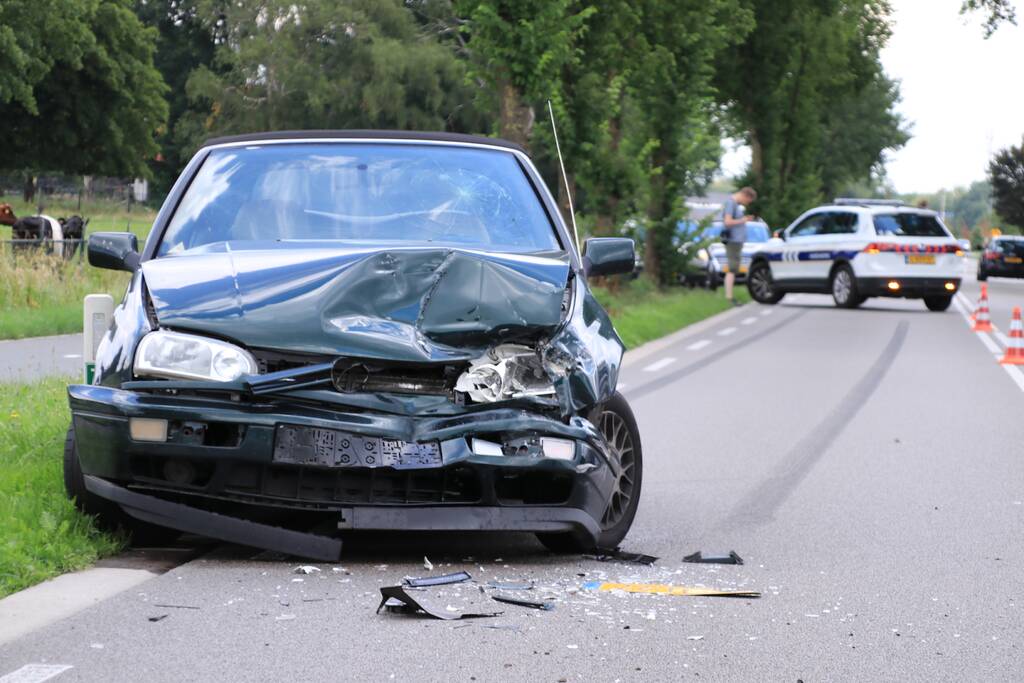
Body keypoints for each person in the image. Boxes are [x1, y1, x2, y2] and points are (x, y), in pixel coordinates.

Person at [720, 186, 758, 305]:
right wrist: (743, 220)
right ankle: (729, 297)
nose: (746, 203)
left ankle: (730, 296)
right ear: (745, 195)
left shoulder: (735, 204)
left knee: (734, 268)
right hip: (733, 241)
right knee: (732, 268)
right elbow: (727, 221)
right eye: (747, 201)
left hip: (736, 241)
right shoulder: (731, 204)